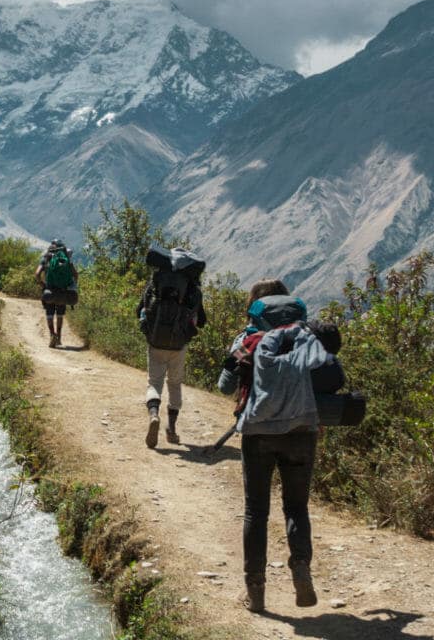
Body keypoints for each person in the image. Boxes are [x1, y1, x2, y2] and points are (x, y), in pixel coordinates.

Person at [217, 278, 328, 614]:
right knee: (296, 507)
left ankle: (256, 591)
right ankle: (301, 567)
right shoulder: (306, 335)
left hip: (259, 433)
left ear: (256, 305)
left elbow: (224, 386)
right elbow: (327, 378)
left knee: (256, 511)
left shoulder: (247, 339)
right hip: (302, 430)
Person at [137, 258, 207, 448]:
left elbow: (139, 311)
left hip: (155, 342)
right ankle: (172, 429)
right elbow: (202, 321)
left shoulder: (155, 284)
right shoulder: (193, 290)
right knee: (175, 384)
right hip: (179, 345)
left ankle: (153, 414)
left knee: (154, 382)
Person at [34, 239, 78, 348]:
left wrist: (43, 285)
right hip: (63, 291)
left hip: (49, 292)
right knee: (60, 315)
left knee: (49, 314)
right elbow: (76, 274)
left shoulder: (47, 258)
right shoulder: (66, 259)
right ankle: (58, 337)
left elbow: (37, 274)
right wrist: (72, 286)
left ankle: (52, 334)